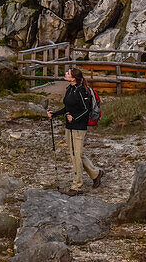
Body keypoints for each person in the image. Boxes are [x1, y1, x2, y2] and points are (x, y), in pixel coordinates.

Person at [46, 66, 103, 195]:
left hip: (79, 128)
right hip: (69, 127)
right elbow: (67, 107)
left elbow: (86, 110)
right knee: (76, 154)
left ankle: (77, 186)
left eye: (68, 73)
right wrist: (54, 114)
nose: (65, 74)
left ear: (73, 78)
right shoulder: (70, 89)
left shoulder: (82, 91)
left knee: (76, 156)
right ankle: (96, 173)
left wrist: (74, 118)